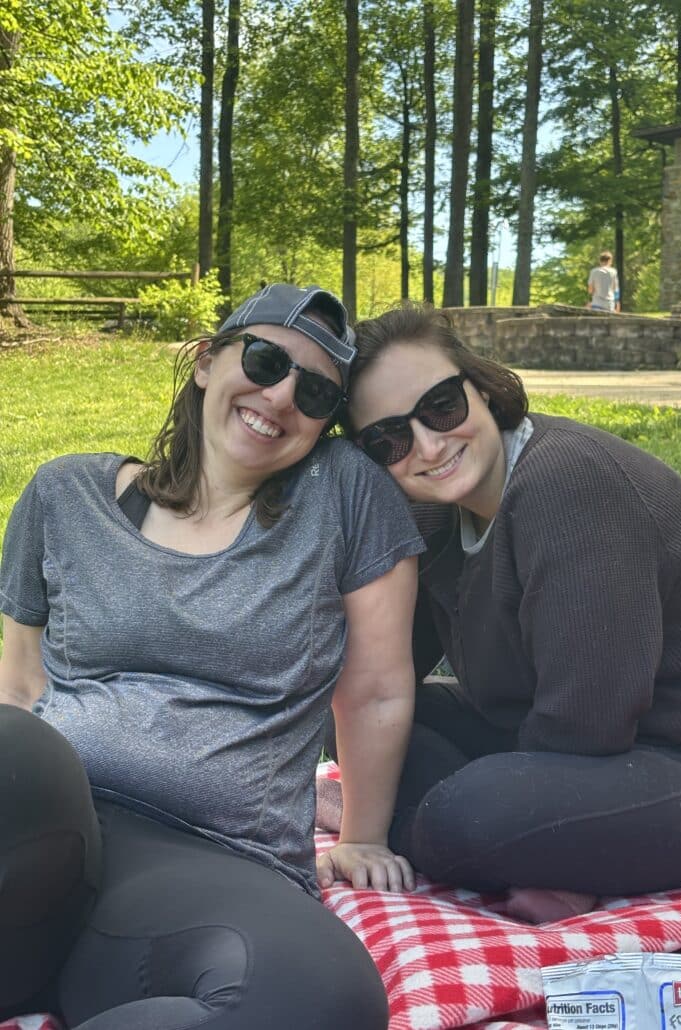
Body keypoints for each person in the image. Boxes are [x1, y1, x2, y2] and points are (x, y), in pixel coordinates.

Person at [0, 283, 425, 1028]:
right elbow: (18, 681)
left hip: (211, 857)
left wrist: (362, 834)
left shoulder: (343, 493)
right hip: (44, 819)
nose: (281, 396)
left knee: (323, 997)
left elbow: (377, 687)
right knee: (15, 747)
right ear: (205, 361)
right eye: (264, 361)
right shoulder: (66, 494)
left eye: (316, 392)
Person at [321, 303, 681, 925]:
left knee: (469, 817)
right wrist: (363, 824)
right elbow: (383, 678)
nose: (428, 445)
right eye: (389, 439)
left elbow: (588, 721)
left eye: (442, 406)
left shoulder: (568, 484)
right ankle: (480, 830)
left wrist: (514, 820)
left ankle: (476, 834)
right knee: (353, 719)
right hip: (568, 743)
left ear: (482, 387)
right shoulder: (434, 514)